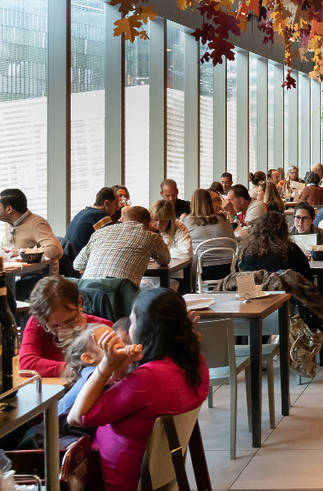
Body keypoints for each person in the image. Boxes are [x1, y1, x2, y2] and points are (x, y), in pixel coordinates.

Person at [68, 287, 209, 491]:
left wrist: (106, 364)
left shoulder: (147, 380)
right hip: (157, 473)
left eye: (132, 321)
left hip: (112, 480)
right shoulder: (196, 363)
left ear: (146, 329)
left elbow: (76, 417)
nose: (129, 328)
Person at [19, 275, 112, 377]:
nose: (63, 329)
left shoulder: (103, 328)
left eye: (70, 321)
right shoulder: (37, 323)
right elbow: (26, 364)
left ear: (79, 302)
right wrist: (74, 369)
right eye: (55, 326)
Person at [74, 206, 170, 288]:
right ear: (148, 223)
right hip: (120, 295)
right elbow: (165, 260)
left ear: (122, 219)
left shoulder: (100, 232)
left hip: (86, 292)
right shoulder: (151, 236)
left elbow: (78, 264)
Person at [235, 212, 313, 280]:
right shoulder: (290, 249)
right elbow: (308, 278)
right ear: (284, 230)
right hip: (284, 294)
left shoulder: (244, 251)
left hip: (250, 295)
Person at [0, 188, 63, 263]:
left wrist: (21, 252)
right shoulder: (9, 222)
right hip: (13, 271)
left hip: (35, 273)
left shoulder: (37, 224)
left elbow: (56, 250)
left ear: (9, 209)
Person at [64, 187, 120, 262]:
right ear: (106, 203)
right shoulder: (101, 216)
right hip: (81, 264)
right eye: (115, 204)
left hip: (69, 260)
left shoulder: (83, 212)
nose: (117, 208)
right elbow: (113, 241)